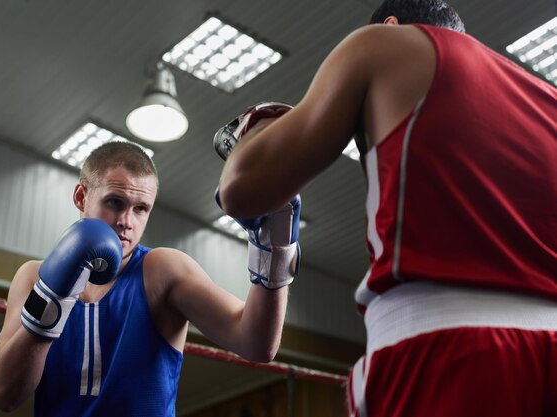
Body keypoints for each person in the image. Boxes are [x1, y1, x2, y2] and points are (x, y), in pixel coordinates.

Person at [216, 0, 557, 416]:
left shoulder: (384, 45)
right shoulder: (547, 103)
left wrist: (257, 131)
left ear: (391, 26)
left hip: (445, 355)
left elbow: (239, 190)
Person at [0, 140, 301, 416]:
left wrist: (273, 251)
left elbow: (258, 344)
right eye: (115, 202)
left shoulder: (162, 270)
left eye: (141, 209)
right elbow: (3, 393)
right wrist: (53, 296)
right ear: (82, 196)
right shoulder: (32, 278)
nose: (126, 222)